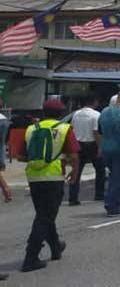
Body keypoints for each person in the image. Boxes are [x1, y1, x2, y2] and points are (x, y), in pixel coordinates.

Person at [18, 98, 80, 273]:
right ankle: (30, 257)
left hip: (33, 177)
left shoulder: (31, 129)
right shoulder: (64, 128)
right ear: (61, 114)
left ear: (44, 113)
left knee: (44, 213)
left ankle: (55, 247)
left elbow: (21, 156)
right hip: (53, 177)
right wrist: (74, 172)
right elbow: (74, 156)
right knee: (45, 216)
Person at [67, 94, 104, 205]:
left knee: (76, 171)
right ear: (94, 102)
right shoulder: (96, 115)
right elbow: (96, 132)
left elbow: (72, 130)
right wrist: (100, 147)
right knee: (100, 169)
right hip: (91, 144)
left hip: (78, 144)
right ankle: (99, 194)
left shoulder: (76, 114)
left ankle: (73, 197)